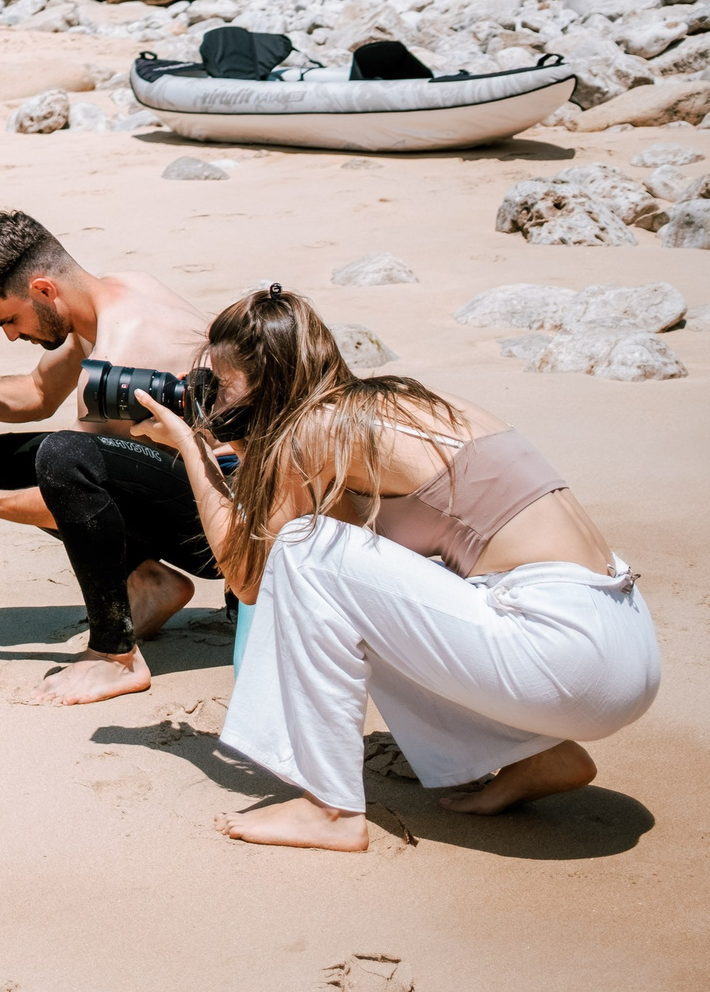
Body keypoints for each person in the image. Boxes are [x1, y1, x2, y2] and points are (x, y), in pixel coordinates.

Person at [127, 285, 659, 852]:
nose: (211, 398)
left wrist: (190, 447)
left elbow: (248, 578)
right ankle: (535, 754)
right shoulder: (397, 405)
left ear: (263, 382)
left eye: (220, 383)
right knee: (346, 581)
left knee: (303, 547)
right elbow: (351, 574)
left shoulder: (313, 429)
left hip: (563, 655)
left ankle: (330, 809)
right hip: (620, 644)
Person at [0, 211, 223, 705]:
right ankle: (148, 584)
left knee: (62, 457)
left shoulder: (120, 355)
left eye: (9, 320)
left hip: (227, 532)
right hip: (200, 491)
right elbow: (38, 391)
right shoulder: (121, 291)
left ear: (43, 289)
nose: (10, 336)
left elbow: (70, 495)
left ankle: (115, 655)